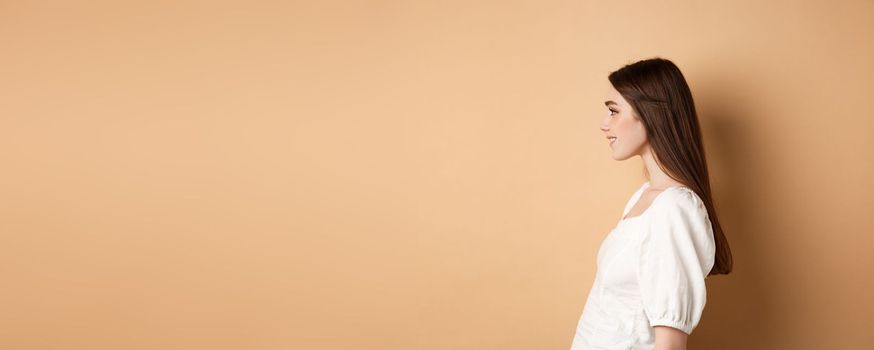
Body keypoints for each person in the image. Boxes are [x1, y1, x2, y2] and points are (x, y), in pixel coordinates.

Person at [570, 57, 733, 350]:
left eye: (613, 111)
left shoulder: (674, 209)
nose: (604, 124)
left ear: (649, 114)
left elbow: (670, 343)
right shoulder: (644, 197)